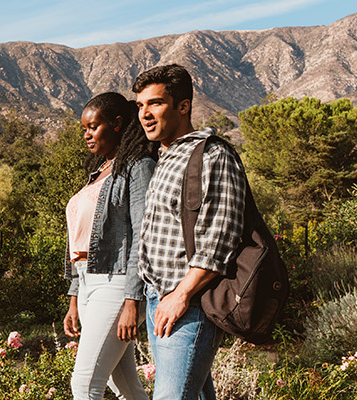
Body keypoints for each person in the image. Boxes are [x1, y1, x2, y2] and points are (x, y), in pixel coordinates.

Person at [133, 64, 245, 400]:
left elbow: (221, 237)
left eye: (155, 103)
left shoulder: (212, 154)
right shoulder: (166, 157)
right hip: (160, 301)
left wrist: (180, 296)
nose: (145, 114)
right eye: (140, 106)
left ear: (183, 106)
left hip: (189, 305)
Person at [62, 92, 157, 400]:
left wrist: (133, 299)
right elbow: (80, 243)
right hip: (89, 281)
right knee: (125, 385)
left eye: (94, 127)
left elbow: (144, 234)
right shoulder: (98, 172)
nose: (87, 135)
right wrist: (74, 299)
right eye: (84, 129)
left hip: (117, 284)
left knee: (85, 384)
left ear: (117, 124)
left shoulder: (138, 166)